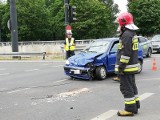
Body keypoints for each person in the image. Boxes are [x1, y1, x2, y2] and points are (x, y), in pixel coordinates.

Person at [115, 12, 140, 116]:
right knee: (132, 86)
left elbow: (126, 53)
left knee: (126, 87)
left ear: (123, 23)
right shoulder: (132, 33)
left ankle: (129, 109)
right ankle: (135, 106)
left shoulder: (126, 35)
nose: (118, 26)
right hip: (132, 66)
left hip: (127, 67)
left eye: (119, 23)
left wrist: (121, 67)